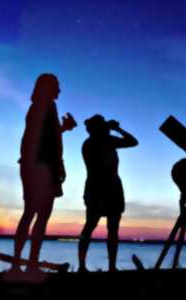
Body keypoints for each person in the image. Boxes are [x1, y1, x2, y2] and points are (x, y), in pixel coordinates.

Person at [11, 73, 77, 275]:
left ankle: (23, 263)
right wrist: (49, 166)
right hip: (40, 167)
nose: (59, 89)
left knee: (33, 213)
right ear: (47, 87)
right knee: (37, 214)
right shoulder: (44, 106)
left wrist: (63, 129)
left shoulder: (43, 106)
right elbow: (36, 138)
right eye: (56, 85)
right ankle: (27, 265)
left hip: (39, 166)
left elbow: (47, 136)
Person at [78, 115, 138, 272]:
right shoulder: (100, 142)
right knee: (97, 227)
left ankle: (93, 266)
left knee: (102, 228)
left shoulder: (97, 142)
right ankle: (90, 266)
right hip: (101, 189)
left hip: (104, 189)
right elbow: (132, 142)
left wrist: (113, 129)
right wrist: (115, 129)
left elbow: (133, 142)